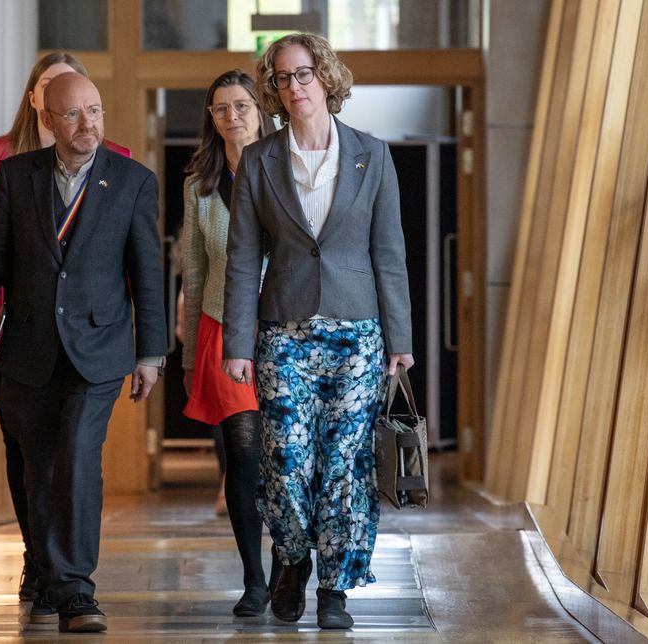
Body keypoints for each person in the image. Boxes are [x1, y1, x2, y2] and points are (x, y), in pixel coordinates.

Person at [0, 72, 167, 633]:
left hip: (100, 347)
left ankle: (76, 590)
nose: (88, 124)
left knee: (76, 451)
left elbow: (147, 274)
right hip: (28, 345)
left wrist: (152, 354)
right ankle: (47, 573)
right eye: (72, 114)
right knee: (38, 464)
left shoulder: (133, 181)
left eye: (94, 111)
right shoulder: (15, 177)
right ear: (47, 120)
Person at [221, 33, 414, 630]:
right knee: (285, 460)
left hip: (358, 333)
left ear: (326, 78)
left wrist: (401, 340)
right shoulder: (259, 160)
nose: (294, 86)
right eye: (281, 78)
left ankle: (335, 588)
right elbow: (242, 257)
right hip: (283, 331)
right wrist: (236, 344)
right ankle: (293, 556)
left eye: (303, 73)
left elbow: (390, 253)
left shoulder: (371, 153)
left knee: (343, 464)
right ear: (274, 90)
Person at [180, 70, 275, 617]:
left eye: (241, 105)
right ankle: (254, 578)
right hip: (221, 325)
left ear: (260, 111)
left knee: (283, 454)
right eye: (220, 108)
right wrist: (192, 354)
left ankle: (290, 566)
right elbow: (194, 273)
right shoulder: (200, 185)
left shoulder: (285, 171)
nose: (231, 116)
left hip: (283, 326)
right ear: (211, 118)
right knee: (242, 453)